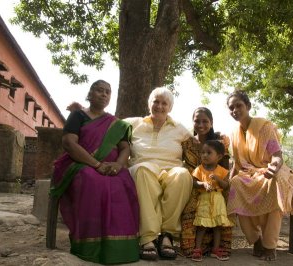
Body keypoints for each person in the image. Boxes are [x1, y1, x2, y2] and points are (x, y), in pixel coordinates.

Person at [50, 80, 140, 264]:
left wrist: (118, 165)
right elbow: (69, 143)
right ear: (90, 94)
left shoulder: (115, 124)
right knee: (93, 181)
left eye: (108, 92)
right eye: (100, 90)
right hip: (80, 165)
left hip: (111, 167)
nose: (104, 94)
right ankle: (88, 245)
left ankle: (119, 247)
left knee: (123, 182)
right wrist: (97, 165)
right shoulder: (78, 116)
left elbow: (125, 148)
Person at [226, 90, 293, 261]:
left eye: (239, 106)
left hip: (272, 170)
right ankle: (256, 240)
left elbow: (277, 155)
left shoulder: (264, 127)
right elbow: (237, 163)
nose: (235, 110)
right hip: (249, 174)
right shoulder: (233, 133)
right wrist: (229, 180)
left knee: (275, 183)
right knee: (236, 185)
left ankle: (270, 245)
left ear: (248, 106)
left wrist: (274, 167)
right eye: (231, 108)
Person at [125, 87, 193, 261]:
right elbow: (106, 125)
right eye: (156, 101)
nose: (159, 106)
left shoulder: (180, 129)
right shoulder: (133, 124)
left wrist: (219, 137)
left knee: (183, 174)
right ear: (149, 104)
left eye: (164, 103)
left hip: (170, 171)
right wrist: (81, 112)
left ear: (170, 107)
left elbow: (199, 143)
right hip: (143, 169)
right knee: (142, 170)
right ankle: (148, 238)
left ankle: (167, 235)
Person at [180, 107, 233, 257]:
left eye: (205, 121)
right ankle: (193, 246)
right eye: (197, 121)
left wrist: (218, 183)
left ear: (211, 123)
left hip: (216, 186)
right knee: (191, 201)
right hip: (194, 184)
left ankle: (220, 246)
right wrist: (200, 183)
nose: (201, 124)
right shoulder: (187, 143)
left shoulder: (219, 142)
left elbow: (225, 170)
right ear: (192, 122)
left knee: (226, 195)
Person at [191, 140, 233, 262]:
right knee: (202, 226)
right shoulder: (199, 169)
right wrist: (203, 184)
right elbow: (194, 182)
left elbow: (225, 185)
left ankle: (216, 249)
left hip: (218, 199)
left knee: (218, 226)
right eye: (203, 152)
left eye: (209, 153)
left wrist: (218, 179)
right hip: (204, 199)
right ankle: (197, 249)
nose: (204, 155)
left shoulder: (222, 170)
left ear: (219, 156)